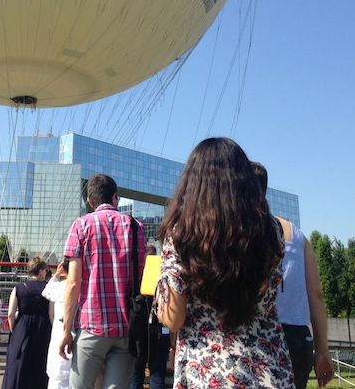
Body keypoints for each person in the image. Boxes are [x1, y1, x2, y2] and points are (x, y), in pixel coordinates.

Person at [156, 138, 294, 388]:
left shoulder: (181, 233)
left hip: (207, 372)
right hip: (270, 369)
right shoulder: (271, 229)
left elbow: (173, 318)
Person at [59, 173, 146, 389]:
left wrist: (66, 331)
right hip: (127, 325)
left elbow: (73, 283)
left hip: (92, 323)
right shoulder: (137, 228)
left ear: (89, 200)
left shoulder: (81, 226)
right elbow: (143, 277)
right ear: (116, 197)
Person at [252, 162, 335, 388]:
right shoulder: (296, 234)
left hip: (260, 335)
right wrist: (323, 349)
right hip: (299, 338)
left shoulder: (244, 230)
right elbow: (316, 294)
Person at [2, 257, 52, 389]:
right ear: (41, 271)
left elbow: (10, 314)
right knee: (41, 363)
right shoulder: (49, 288)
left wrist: (15, 329)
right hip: (43, 327)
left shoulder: (19, 288)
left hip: (22, 327)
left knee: (18, 364)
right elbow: (52, 314)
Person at [130, 244, 170, 389]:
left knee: (136, 372)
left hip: (138, 332)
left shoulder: (135, 278)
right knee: (157, 373)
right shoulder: (165, 276)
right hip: (162, 330)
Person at [42, 260, 71, 389]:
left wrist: (56, 274)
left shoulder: (60, 286)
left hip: (60, 332)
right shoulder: (86, 287)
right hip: (78, 336)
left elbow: (46, 292)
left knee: (57, 377)